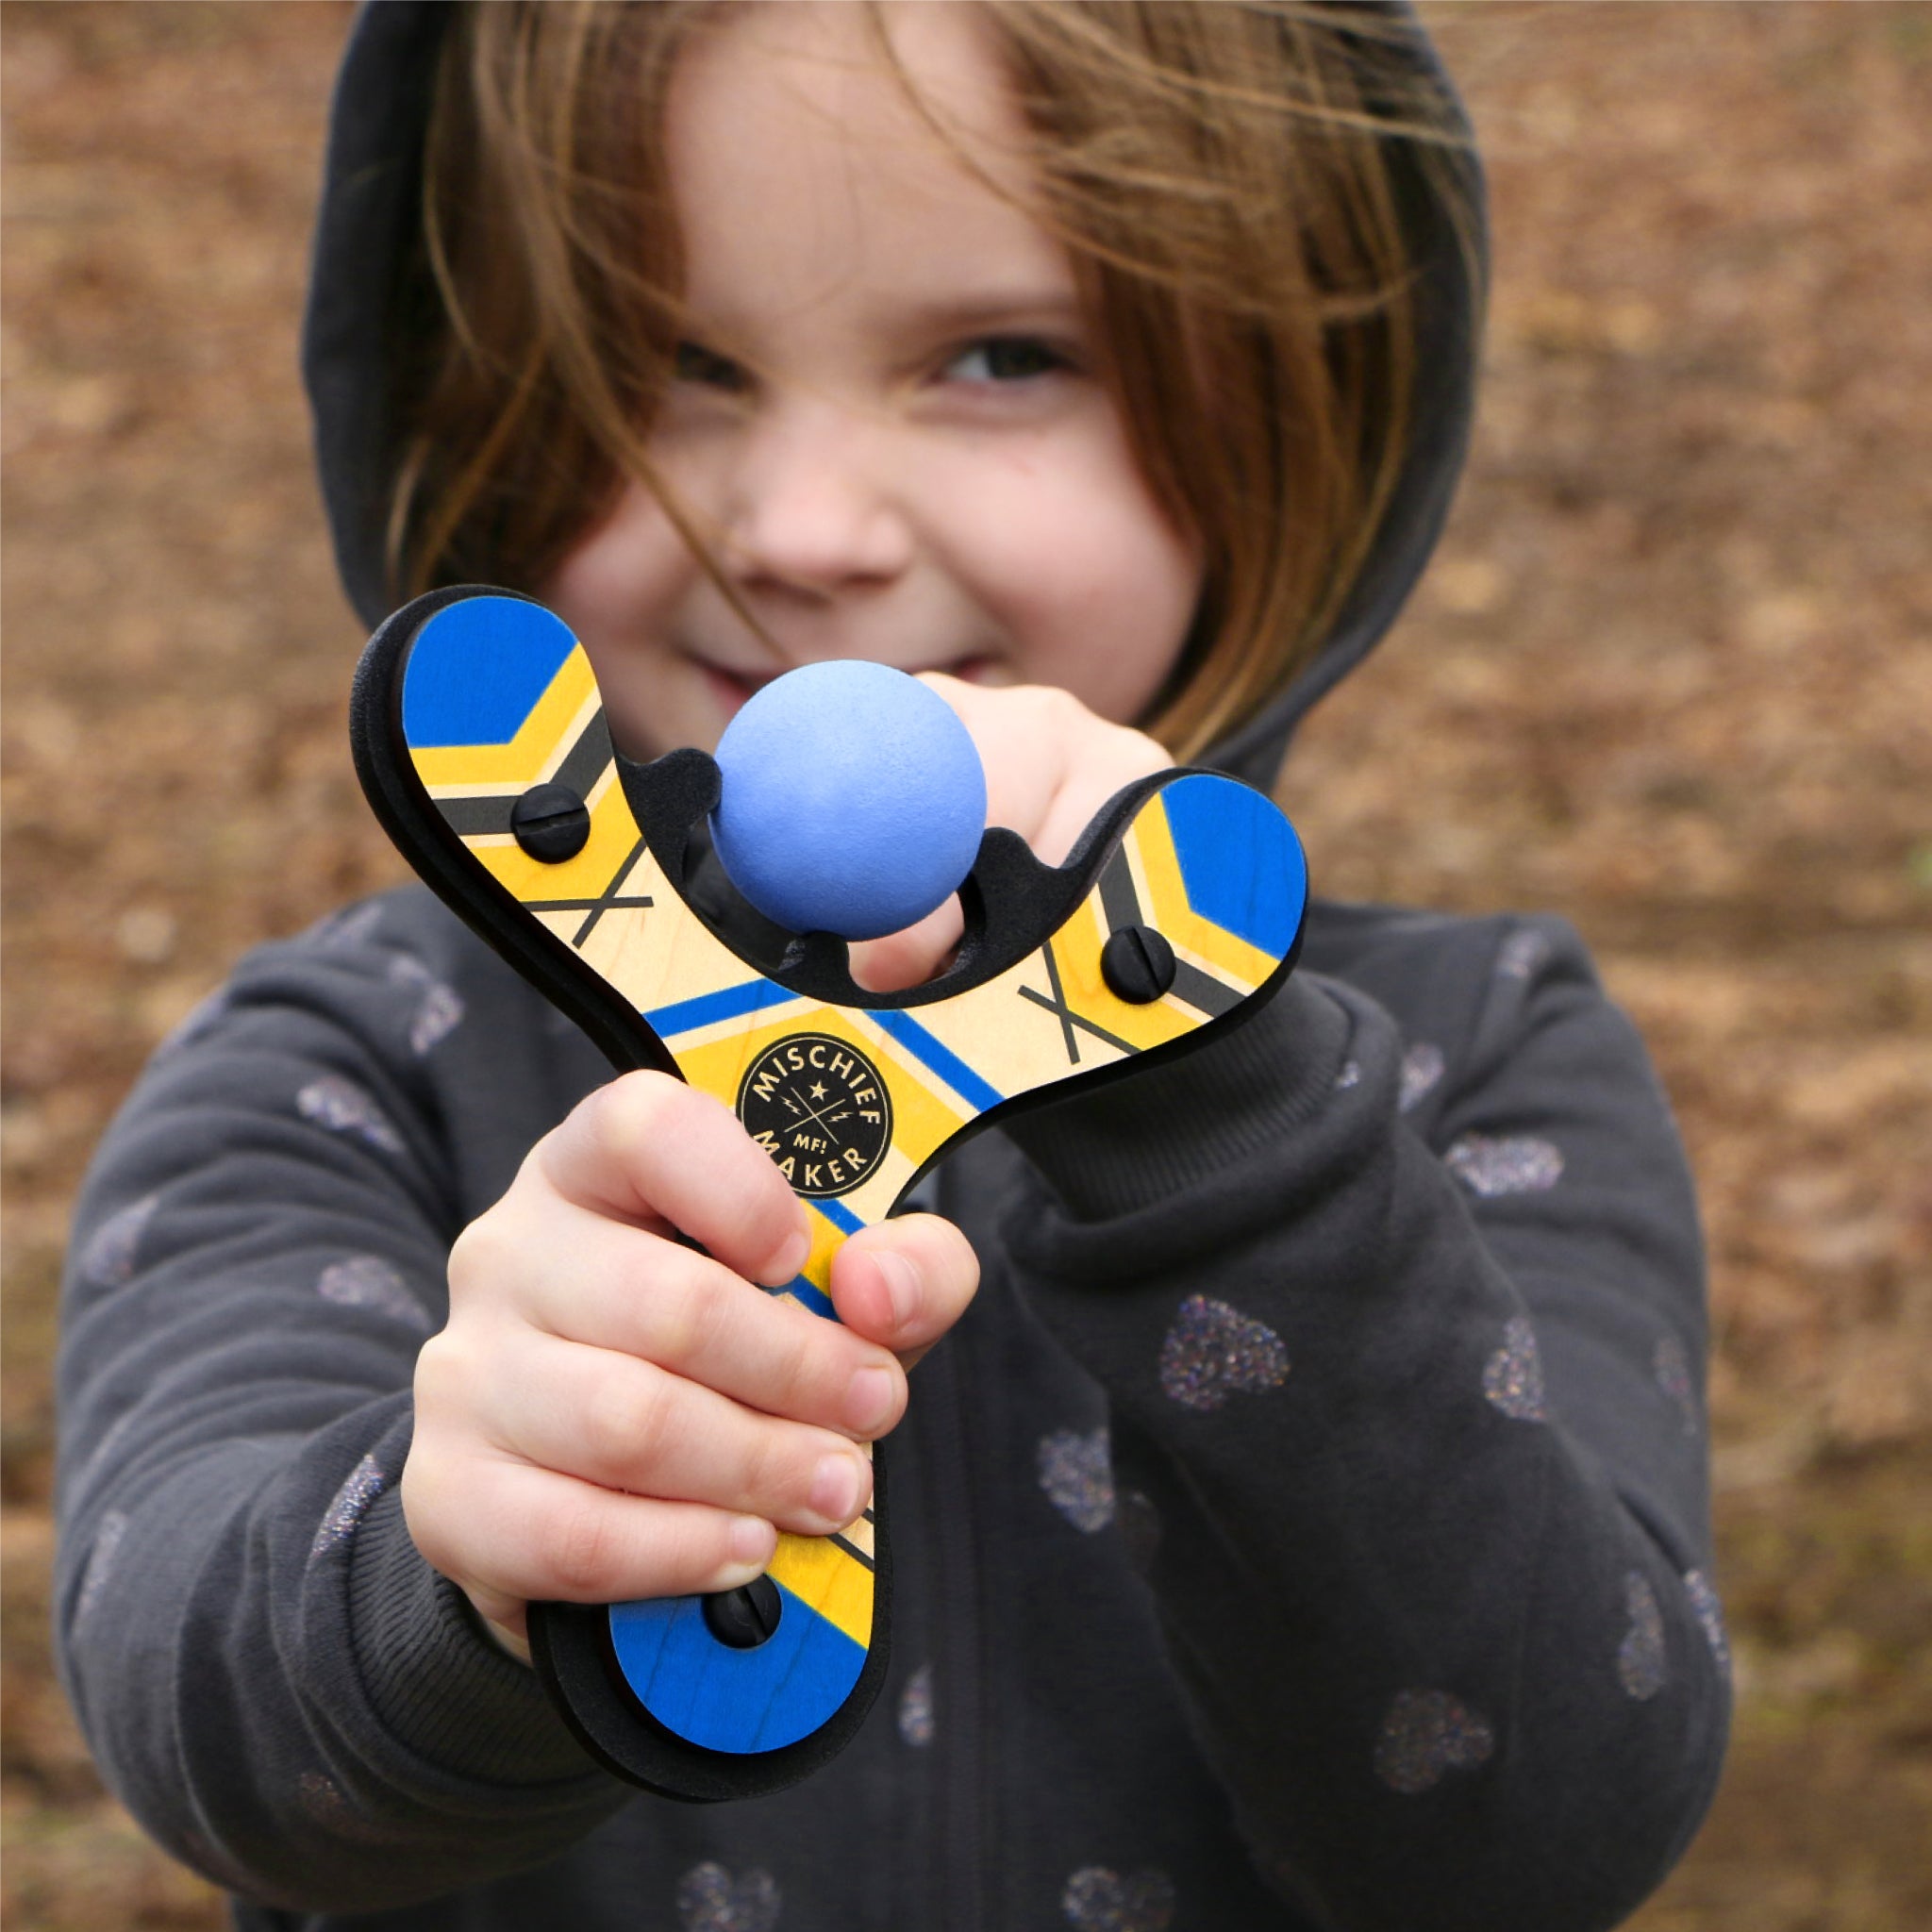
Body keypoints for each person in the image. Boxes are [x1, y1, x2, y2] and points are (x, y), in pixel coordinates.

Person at [54, 4, 1731, 1928]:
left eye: (1001, 358)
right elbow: (206, 1716)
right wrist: (467, 1571)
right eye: (667, 360)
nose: (804, 533)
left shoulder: (1464, 1062)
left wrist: (1222, 1113)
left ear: (1290, 407)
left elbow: (1534, 1830)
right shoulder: (353, 1062)